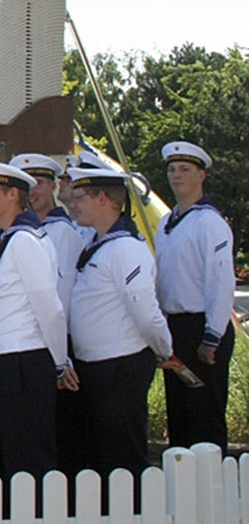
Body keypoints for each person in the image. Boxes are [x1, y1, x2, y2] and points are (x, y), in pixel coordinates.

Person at [67, 166, 174, 475]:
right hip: (100, 366)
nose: (74, 204)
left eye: (80, 197)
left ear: (103, 198)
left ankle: (135, 517)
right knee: (104, 454)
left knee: (123, 455)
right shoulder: (99, 242)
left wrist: (163, 348)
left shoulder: (126, 247)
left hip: (119, 366)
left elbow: (146, 312)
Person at [0, 161, 68, 477]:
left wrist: (59, 361)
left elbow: (48, 306)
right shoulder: (15, 237)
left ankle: (40, 520)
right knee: (17, 449)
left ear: (13, 194)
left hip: (25, 356)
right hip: (11, 354)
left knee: (30, 451)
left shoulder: (25, 240)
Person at [155, 141, 237, 451]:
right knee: (180, 415)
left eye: (185, 170)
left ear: (201, 175)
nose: (177, 176)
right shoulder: (167, 223)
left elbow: (220, 283)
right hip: (175, 328)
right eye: (173, 169)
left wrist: (212, 336)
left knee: (204, 416)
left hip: (201, 328)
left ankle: (210, 488)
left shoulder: (210, 223)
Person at [10, 154, 81, 311]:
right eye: (26, 186)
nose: (31, 192)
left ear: (53, 186)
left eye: (38, 184)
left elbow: (62, 293)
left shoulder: (63, 232)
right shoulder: (16, 229)